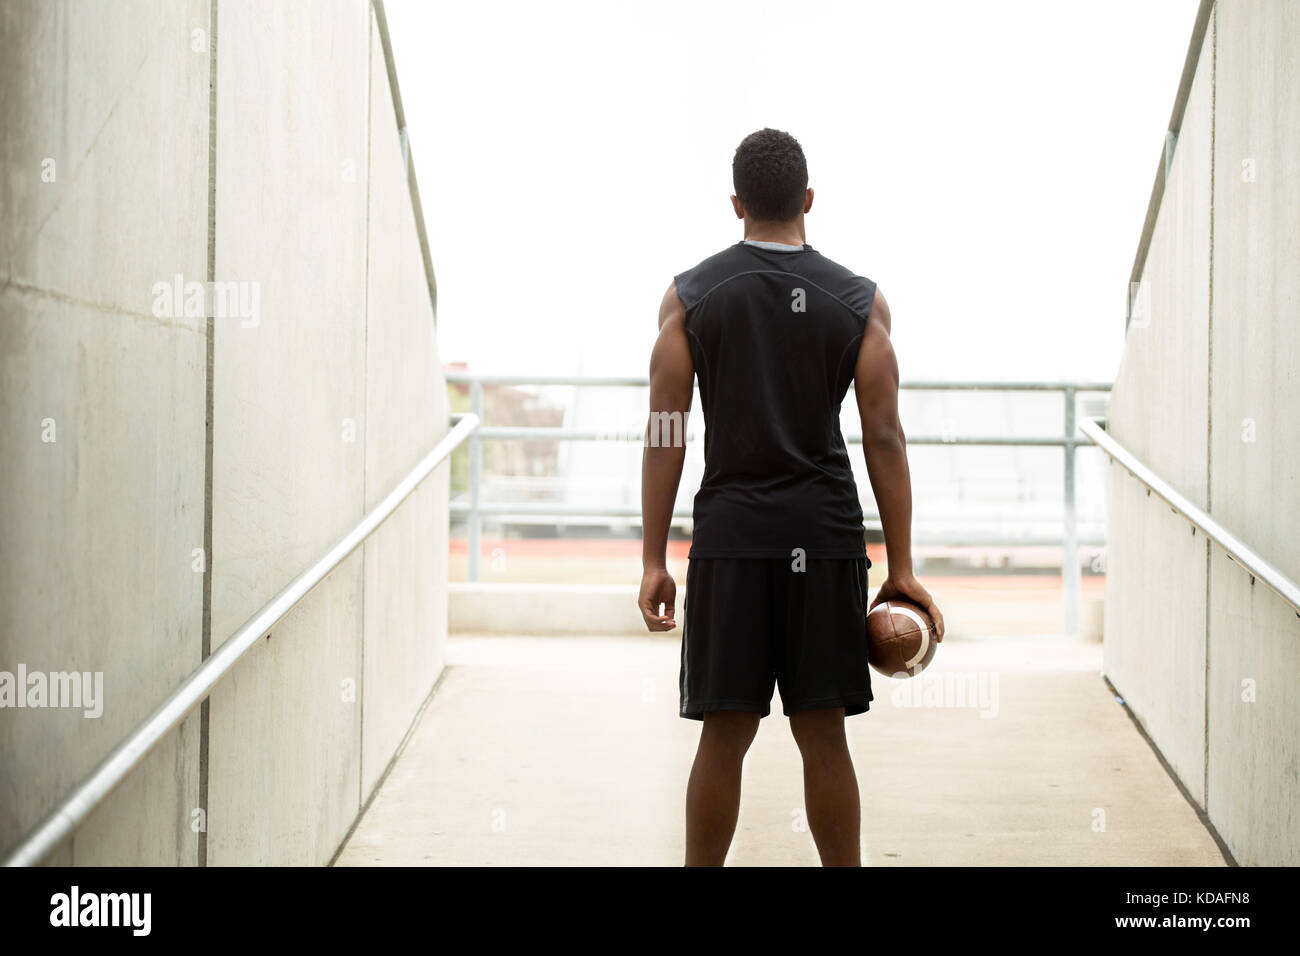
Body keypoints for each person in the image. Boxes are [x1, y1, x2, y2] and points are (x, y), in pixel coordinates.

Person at [638, 128, 945, 867]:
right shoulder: (860, 303)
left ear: (736, 203)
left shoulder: (689, 299)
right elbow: (885, 438)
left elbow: (665, 432)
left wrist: (653, 559)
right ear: (808, 199)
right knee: (823, 732)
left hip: (733, 543)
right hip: (828, 537)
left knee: (724, 731)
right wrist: (900, 566)